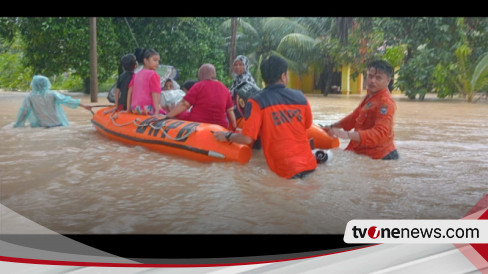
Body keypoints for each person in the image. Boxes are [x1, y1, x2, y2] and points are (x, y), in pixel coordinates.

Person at [213, 55, 317, 179]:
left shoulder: (256, 102)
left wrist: (227, 136)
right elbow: (307, 125)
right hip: (310, 166)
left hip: (284, 171)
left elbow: (247, 139)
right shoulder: (301, 97)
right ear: (283, 76)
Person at [323, 60, 399, 160]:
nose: (372, 81)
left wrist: (347, 135)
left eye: (378, 78)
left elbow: (380, 133)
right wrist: (332, 126)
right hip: (361, 151)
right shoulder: (370, 96)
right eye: (370, 76)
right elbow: (354, 117)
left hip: (380, 157)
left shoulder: (385, 103)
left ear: (388, 81)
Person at [161, 64, 236, 129]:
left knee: (180, 113)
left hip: (198, 122)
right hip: (221, 125)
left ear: (201, 74)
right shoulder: (225, 89)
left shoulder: (199, 86)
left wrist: (168, 116)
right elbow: (230, 111)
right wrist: (234, 128)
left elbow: (184, 104)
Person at [14, 75, 92, 128]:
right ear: (47, 84)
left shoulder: (29, 97)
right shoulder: (53, 94)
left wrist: (17, 125)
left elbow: (24, 112)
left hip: (43, 127)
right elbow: (67, 100)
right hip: (58, 125)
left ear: (33, 85)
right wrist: (84, 106)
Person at [126, 48, 164, 116]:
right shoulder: (153, 74)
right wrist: (157, 111)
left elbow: (130, 91)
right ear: (145, 61)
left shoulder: (136, 74)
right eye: (155, 60)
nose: (157, 63)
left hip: (135, 108)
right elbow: (155, 93)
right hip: (148, 109)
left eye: (158, 61)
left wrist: (128, 109)